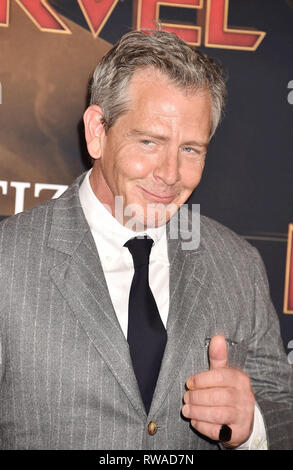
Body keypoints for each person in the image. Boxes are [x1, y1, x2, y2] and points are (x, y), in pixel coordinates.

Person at [0, 30, 292, 451]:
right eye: (150, 142)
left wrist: (253, 428)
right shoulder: (9, 260)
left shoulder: (237, 264)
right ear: (97, 131)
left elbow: (282, 407)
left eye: (191, 149)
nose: (171, 174)